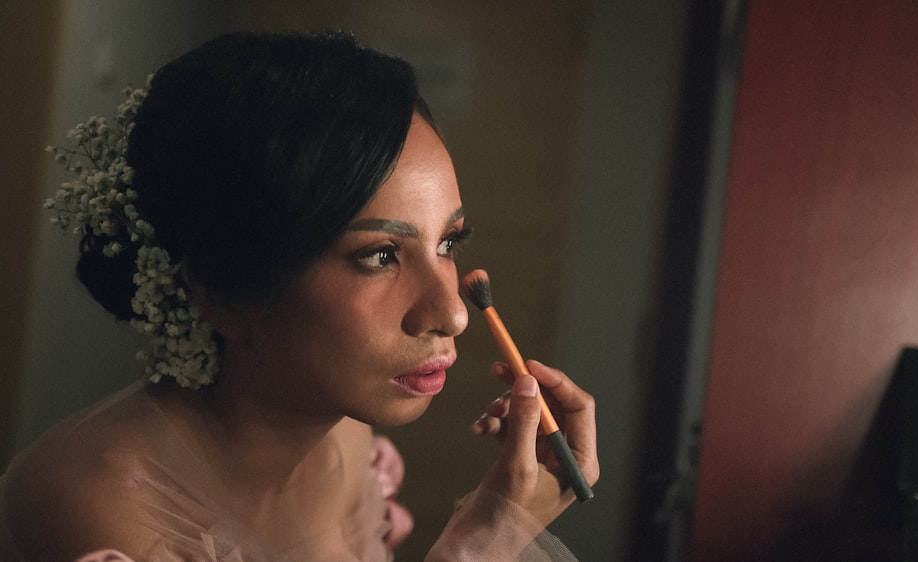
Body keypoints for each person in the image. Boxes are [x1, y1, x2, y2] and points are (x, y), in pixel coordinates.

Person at [0, 31, 598, 561]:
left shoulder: (347, 435)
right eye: (380, 256)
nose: (452, 314)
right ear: (224, 292)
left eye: (449, 242)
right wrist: (488, 541)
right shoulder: (95, 503)